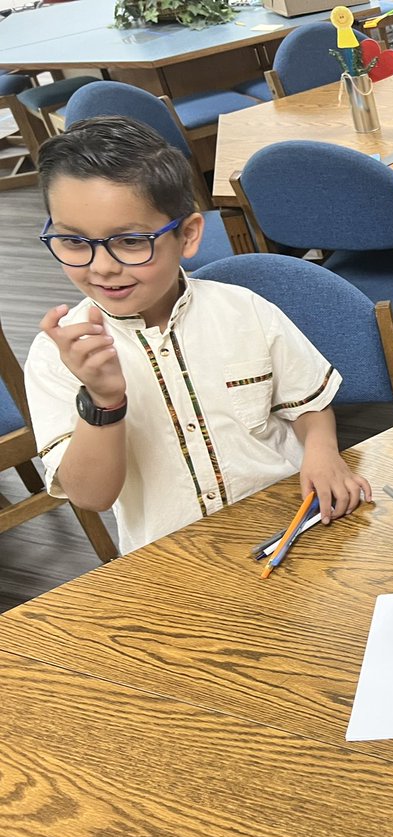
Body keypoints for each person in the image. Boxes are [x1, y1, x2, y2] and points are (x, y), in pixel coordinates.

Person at [24, 116, 370, 555]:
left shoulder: (244, 310)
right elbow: (92, 497)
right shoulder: (56, 356)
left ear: (187, 235)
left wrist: (323, 452)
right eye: (74, 242)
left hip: (293, 524)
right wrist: (103, 402)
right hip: (176, 558)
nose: (102, 267)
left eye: (130, 241)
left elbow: (307, 403)